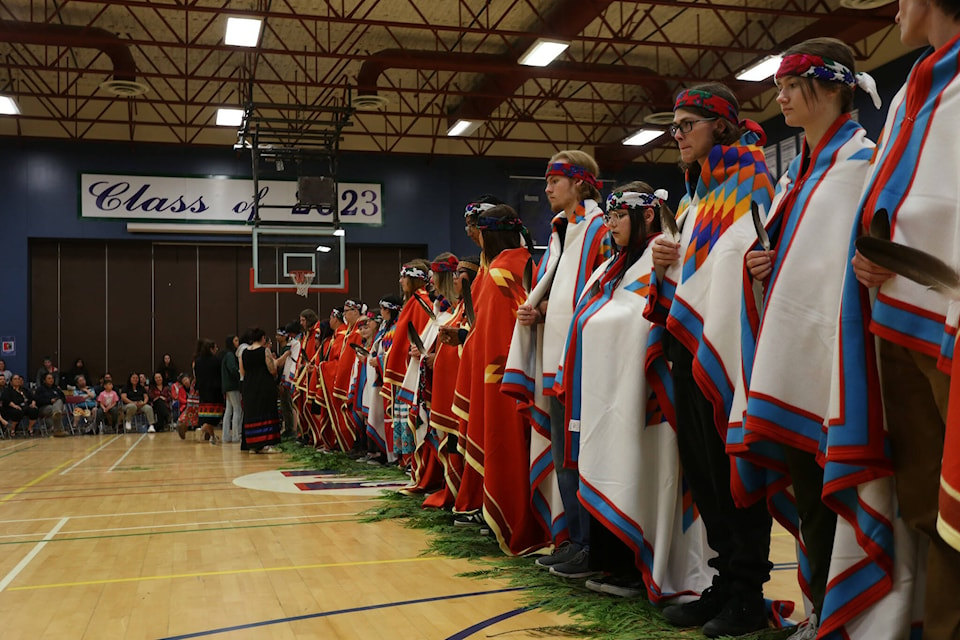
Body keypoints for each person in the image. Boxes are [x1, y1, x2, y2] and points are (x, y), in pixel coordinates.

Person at [723, 39, 882, 640]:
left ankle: (846, 619)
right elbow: (796, 257)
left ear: (833, 86)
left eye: (791, 86)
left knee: (833, 496)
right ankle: (821, 611)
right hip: (792, 356)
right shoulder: (797, 174)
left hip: (837, 364)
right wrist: (763, 264)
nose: (780, 97)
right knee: (809, 499)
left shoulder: (860, 164)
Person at [841, 3, 960, 638]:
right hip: (897, 318)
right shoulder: (913, 88)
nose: (895, 8)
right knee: (923, 499)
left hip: (947, 325)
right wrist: (870, 252)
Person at [647, 83, 775, 637]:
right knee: (704, 471)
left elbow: (757, 256)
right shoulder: (692, 195)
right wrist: (660, 260)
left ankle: (748, 594)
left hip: (730, 346)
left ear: (720, 125)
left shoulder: (750, 180)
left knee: (732, 469)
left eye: (686, 126)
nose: (677, 136)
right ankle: (723, 583)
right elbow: (687, 271)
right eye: (673, 128)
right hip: (688, 345)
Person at [556, 182, 713, 601]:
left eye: (618, 216)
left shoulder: (661, 254)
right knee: (616, 464)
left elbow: (646, 314)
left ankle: (639, 565)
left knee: (642, 472)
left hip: (647, 397)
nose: (610, 224)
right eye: (607, 216)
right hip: (608, 391)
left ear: (646, 215)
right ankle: (613, 560)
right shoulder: (614, 265)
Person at [504, 150, 612, 575]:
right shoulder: (558, 233)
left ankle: (593, 547)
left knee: (583, 458)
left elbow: (605, 287)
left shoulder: (600, 227)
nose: (546, 188)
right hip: (556, 361)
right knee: (566, 458)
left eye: (554, 180)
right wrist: (540, 309)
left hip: (585, 365)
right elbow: (563, 293)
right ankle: (575, 540)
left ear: (581, 182)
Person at [453, 204, 550, 555]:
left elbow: (492, 333)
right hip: (521, 370)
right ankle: (514, 514)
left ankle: (512, 517)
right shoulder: (522, 262)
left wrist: (469, 350)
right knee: (521, 447)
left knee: (507, 445)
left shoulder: (497, 272)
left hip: (501, 376)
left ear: (489, 234)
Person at [383, 260, 433, 466]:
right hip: (407, 367)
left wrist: (417, 350)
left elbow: (422, 334)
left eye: (404, 277)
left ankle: (414, 460)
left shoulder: (420, 303)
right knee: (404, 416)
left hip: (413, 369)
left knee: (413, 416)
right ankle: (409, 460)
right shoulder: (413, 301)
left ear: (413, 279)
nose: (400, 280)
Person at [239, 328, 282, 453]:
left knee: (252, 413)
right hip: (263, 386)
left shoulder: (244, 353)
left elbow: (242, 371)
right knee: (265, 412)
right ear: (263, 338)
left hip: (248, 386)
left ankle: (253, 445)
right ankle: (266, 443)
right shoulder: (265, 351)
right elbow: (272, 370)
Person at [193, 339, 223, 444]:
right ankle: (202, 429)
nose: (217, 349)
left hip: (202, 391)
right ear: (211, 349)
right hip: (215, 391)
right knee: (216, 416)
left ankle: (212, 436)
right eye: (215, 347)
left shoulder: (197, 361)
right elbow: (220, 375)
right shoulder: (216, 360)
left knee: (205, 415)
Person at [221, 335, 242, 443]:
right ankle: (235, 435)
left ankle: (225, 436)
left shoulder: (226, 354)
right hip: (232, 386)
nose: (238, 342)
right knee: (237, 409)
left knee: (229, 411)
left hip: (227, 386)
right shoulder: (230, 355)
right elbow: (233, 369)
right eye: (236, 340)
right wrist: (240, 375)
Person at [36, 371, 67, 437]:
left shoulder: (56, 388)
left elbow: (63, 398)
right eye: (49, 378)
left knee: (59, 404)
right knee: (57, 410)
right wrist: (50, 401)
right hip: (44, 407)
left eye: (52, 378)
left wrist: (56, 401)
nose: (51, 380)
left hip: (56, 406)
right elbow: (38, 401)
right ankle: (59, 430)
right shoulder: (40, 389)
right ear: (44, 380)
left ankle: (56, 428)